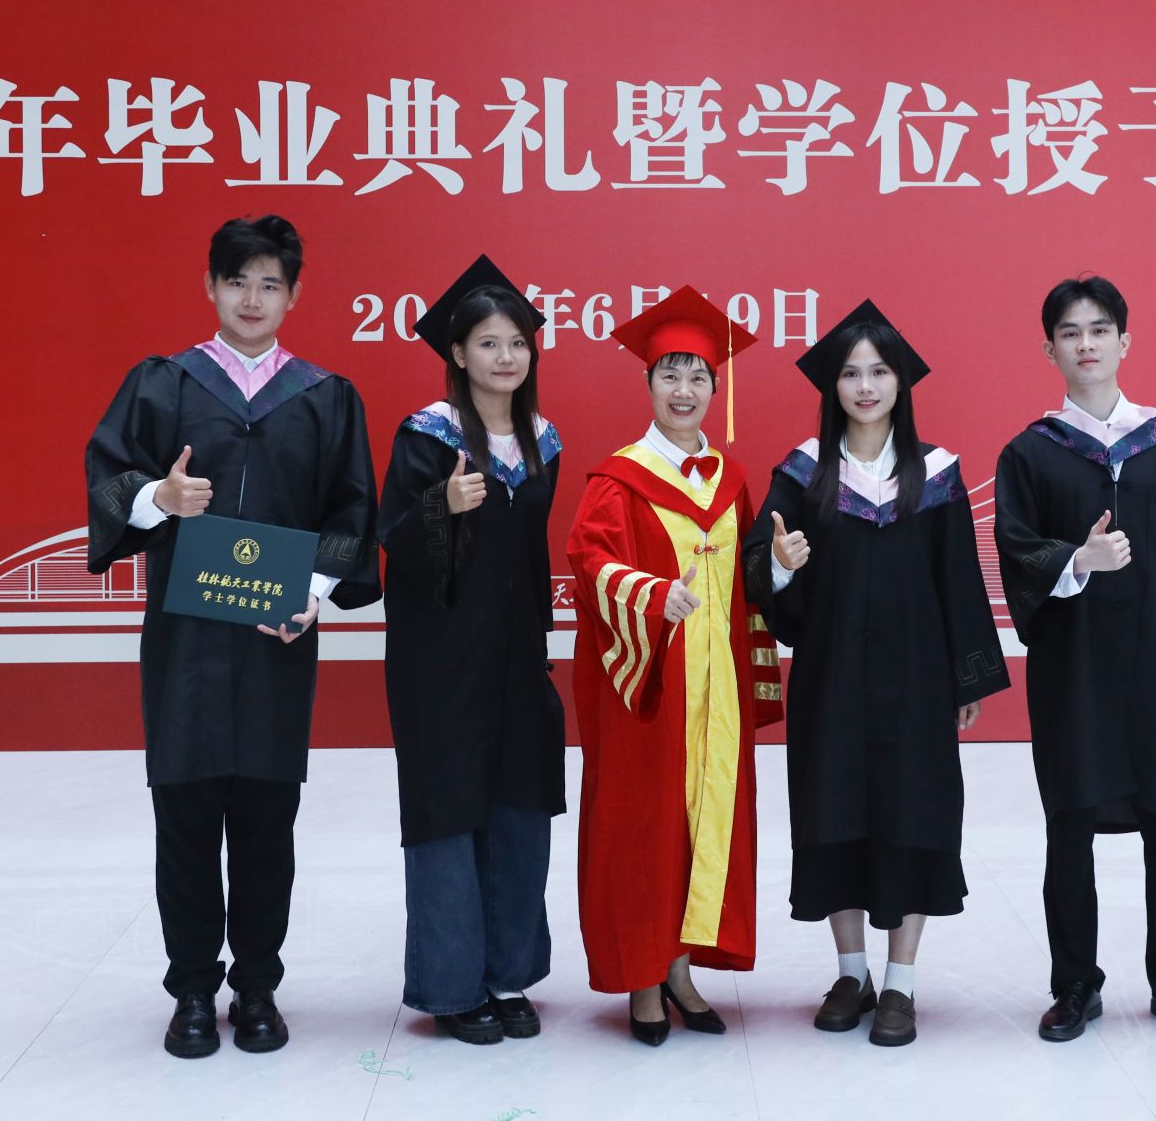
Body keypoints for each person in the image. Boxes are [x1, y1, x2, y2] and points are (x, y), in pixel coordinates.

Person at [83, 214, 380, 1059]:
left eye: (270, 284)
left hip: (276, 639)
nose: (253, 298)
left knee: (265, 819)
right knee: (183, 815)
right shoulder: (164, 383)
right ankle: (190, 988)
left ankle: (256, 985)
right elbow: (111, 477)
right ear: (211, 286)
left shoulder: (324, 396)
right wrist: (160, 499)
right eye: (238, 281)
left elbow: (352, 508)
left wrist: (314, 591)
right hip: (186, 642)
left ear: (294, 295)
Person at [742, 300, 1009, 1047]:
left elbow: (960, 579)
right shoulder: (804, 472)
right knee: (835, 813)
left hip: (917, 683)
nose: (865, 386)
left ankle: (901, 982)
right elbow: (758, 564)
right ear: (832, 385)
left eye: (880, 371)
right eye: (851, 373)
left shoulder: (936, 473)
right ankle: (851, 972)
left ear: (901, 382)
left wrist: (966, 678)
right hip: (831, 679)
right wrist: (781, 565)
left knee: (912, 813)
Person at [992, 275, 1156, 1045]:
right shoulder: (1030, 453)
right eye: (1069, 332)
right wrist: (1079, 559)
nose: (1086, 343)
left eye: (1099, 329)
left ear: (1125, 341)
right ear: (1049, 350)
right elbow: (1016, 550)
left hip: (1153, 659)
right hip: (1073, 666)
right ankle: (1074, 985)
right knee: (1069, 820)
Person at [565, 287, 783, 1046]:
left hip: (715, 691)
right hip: (649, 688)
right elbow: (590, 562)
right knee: (645, 826)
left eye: (698, 377)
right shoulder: (618, 479)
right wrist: (655, 597)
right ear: (648, 384)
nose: (684, 390)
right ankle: (643, 977)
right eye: (670, 375)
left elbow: (748, 576)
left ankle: (682, 967)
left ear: (716, 390)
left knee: (702, 822)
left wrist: (779, 566)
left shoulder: (730, 479)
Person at [376, 256, 566, 1045]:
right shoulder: (427, 436)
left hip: (516, 654)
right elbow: (392, 542)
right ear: (457, 352)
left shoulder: (542, 442)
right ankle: (453, 985)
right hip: (441, 659)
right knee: (449, 811)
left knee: (519, 805)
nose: (505, 357)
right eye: (488, 343)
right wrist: (440, 505)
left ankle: (508, 972)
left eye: (517, 342)